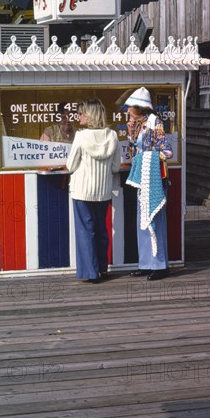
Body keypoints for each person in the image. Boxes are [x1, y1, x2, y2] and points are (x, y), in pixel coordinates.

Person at [66, 99, 121, 283]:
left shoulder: (81, 136)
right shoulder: (112, 136)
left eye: (81, 113)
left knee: (85, 231)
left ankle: (91, 272)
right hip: (103, 191)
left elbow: (70, 165)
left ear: (89, 115)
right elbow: (115, 167)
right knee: (101, 230)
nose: (78, 116)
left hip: (82, 191)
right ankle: (103, 268)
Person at [125, 87, 173, 281]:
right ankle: (145, 263)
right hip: (142, 179)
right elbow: (131, 154)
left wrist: (146, 157)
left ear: (140, 108)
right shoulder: (138, 125)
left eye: (130, 109)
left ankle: (160, 265)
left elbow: (167, 151)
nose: (128, 112)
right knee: (142, 221)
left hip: (154, 178)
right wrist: (130, 135)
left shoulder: (155, 124)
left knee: (155, 221)